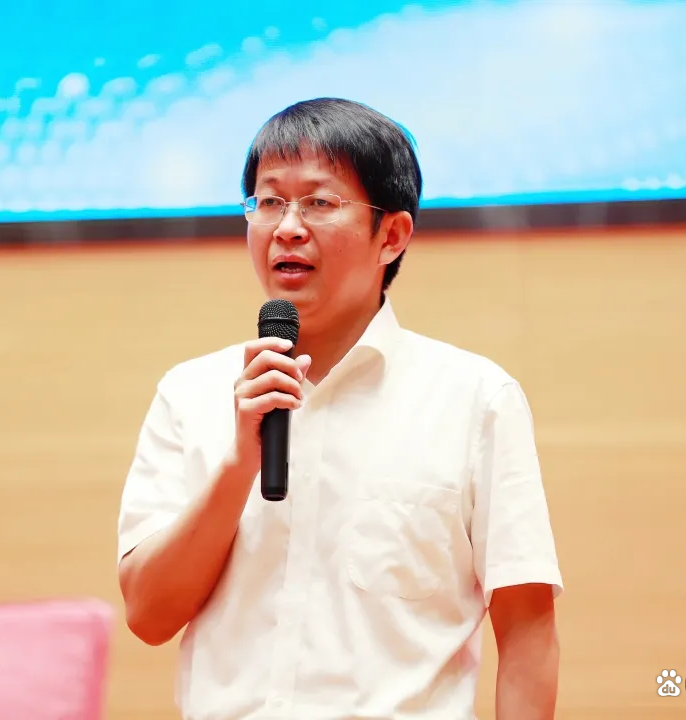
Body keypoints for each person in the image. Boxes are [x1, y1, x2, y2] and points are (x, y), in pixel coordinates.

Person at [116, 97, 563, 719]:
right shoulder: (190, 394)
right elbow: (148, 615)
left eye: (319, 203)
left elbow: (527, 627)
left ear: (392, 235)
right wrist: (239, 464)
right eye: (268, 202)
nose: (287, 227)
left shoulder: (475, 399)